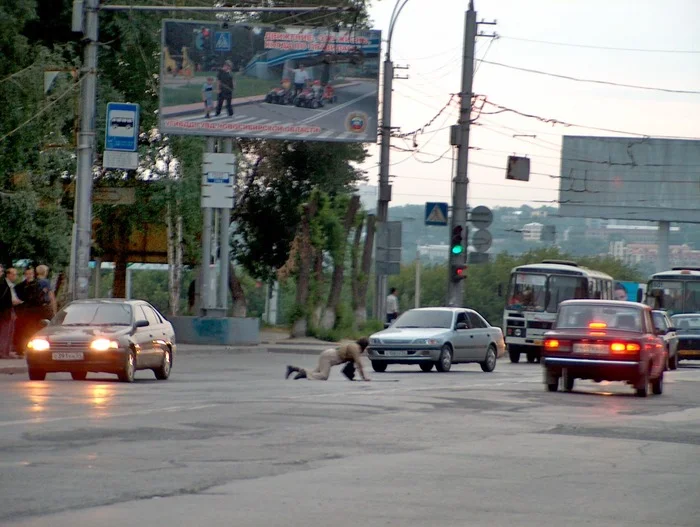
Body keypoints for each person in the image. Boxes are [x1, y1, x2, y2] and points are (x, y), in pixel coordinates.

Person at [285, 338, 371, 381]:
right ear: (363, 345)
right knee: (323, 376)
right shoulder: (355, 348)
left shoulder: (354, 346)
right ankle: (304, 373)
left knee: (315, 373)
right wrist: (364, 377)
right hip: (328, 357)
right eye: (366, 347)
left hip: (328, 354)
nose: (366, 349)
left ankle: (293, 369)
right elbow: (359, 363)